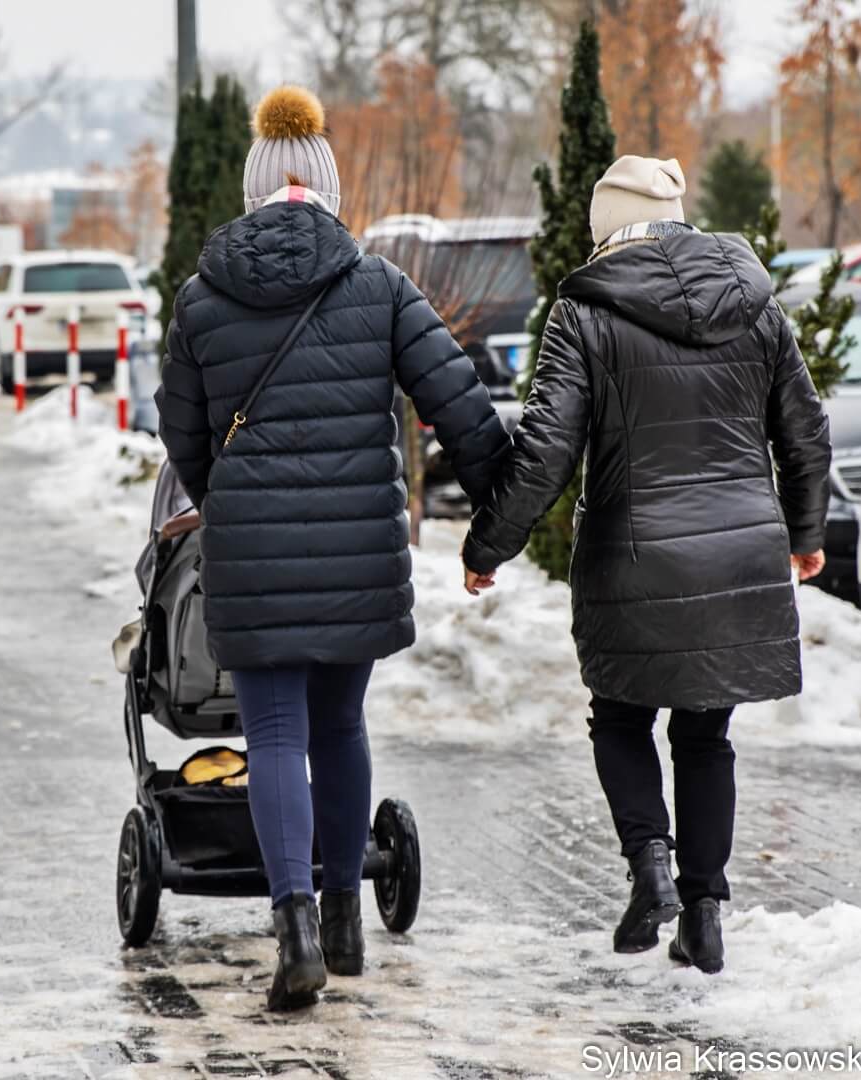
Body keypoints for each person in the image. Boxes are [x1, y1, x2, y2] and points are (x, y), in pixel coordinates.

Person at [156, 85, 509, 1011]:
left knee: (271, 732)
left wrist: (224, 496)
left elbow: (182, 435)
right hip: (357, 556)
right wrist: (499, 516)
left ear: (254, 188)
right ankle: (348, 917)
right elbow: (460, 403)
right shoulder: (378, 283)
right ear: (328, 185)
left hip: (253, 561)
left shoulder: (201, 299)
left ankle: (297, 926)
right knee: (340, 727)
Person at [460, 155, 831, 974]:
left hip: (634, 555)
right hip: (740, 552)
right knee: (707, 736)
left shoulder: (583, 313)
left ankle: (651, 866)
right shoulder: (755, 303)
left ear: (604, 228)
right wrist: (805, 533)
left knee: (621, 716)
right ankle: (703, 911)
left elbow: (547, 448)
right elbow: (804, 430)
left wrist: (490, 545)